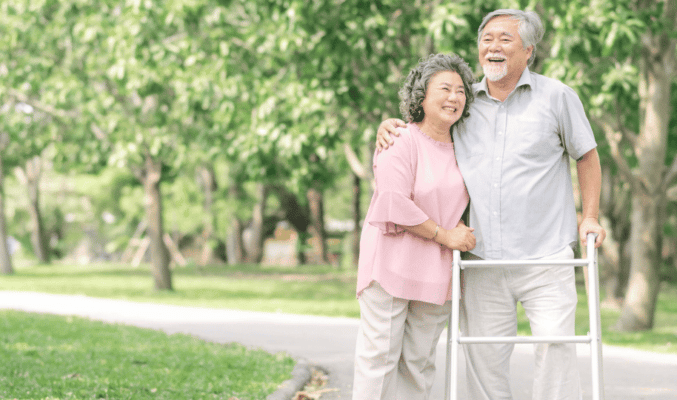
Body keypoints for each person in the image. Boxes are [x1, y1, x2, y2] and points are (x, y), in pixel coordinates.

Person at [376, 9, 607, 400]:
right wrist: (389, 124)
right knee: (484, 358)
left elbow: (586, 155)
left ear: (528, 50)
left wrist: (591, 216)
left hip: (546, 257)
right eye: (487, 39)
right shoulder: (462, 102)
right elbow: (425, 130)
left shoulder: (558, 96)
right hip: (482, 258)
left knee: (555, 347)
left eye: (505, 39)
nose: (493, 47)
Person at [352, 53, 476, 400]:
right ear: (421, 95)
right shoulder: (400, 139)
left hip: (435, 270)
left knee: (419, 364)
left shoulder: (466, 147)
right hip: (391, 264)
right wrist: (444, 234)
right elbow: (393, 201)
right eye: (445, 88)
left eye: (461, 91)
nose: (454, 97)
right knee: (379, 358)